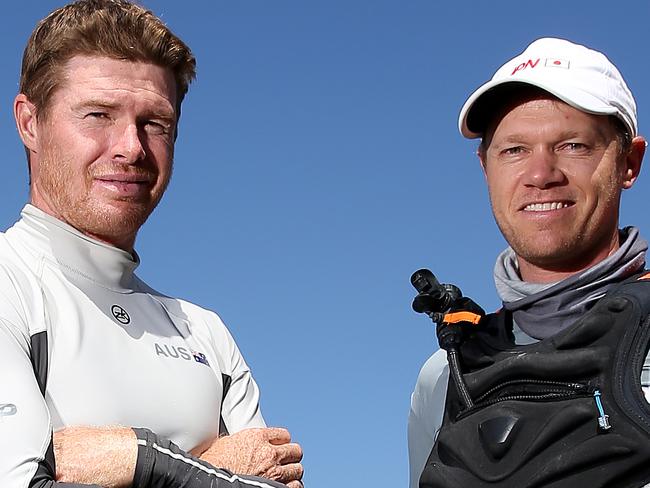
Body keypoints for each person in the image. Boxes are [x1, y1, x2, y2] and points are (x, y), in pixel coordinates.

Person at [0, 1, 304, 487]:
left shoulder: (206, 333)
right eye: (98, 114)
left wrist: (124, 459)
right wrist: (173, 461)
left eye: (155, 123)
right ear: (29, 123)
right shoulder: (8, 282)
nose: (131, 147)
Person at [408, 37, 650, 487]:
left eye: (574, 146)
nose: (541, 175)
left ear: (629, 163)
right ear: (486, 167)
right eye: (514, 150)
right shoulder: (443, 377)